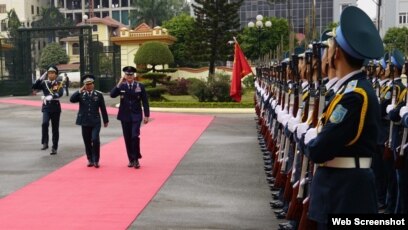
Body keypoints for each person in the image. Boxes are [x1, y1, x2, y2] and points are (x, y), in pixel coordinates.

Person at [302, 6, 384, 229]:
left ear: (336, 53)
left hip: (345, 195)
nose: (325, 54)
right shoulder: (350, 91)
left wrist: (307, 140)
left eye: (329, 47)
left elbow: (320, 150)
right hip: (343, 190)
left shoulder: (354, 96)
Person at [110, 66, 150, 169]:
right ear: (125, 76)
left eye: (131, 75)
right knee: (127, 138)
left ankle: (136, 159)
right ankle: (131, 160)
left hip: (136, 115)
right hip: (124, 116)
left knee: (134, 136)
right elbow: (112, 95)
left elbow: (145, 101)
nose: (129, 76)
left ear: (134, 76)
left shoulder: (140, 86)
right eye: (127, 75)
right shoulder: (122, 86)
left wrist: (146, 115)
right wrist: (119, 83)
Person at [70, 74, 109, 168]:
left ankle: (96, 160)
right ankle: (90, 159)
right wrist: (80, 90)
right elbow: (72, 99)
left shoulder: (98, 95)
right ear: (84, 85)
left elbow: (103, 108)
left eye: (90, 84)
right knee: (87, 141)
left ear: (93, 84)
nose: (89, 86)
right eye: (87, 84)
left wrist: (105, 120)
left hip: (95, 121)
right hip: (85, 121)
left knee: (95, 139)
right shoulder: (81, 94)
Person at [32, 65, 64, 155]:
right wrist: (42, 77)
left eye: (53, 73)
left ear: (56, 74)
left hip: (55, 108)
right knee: (44, 123)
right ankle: (45, 142)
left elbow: (60, 93)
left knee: (55, 128)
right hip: (46, 107)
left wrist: (52, 96)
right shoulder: (44, 83)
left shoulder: (58, 83)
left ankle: (54, 147)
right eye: (49, 73)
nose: (51, 75)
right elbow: (34, 86)